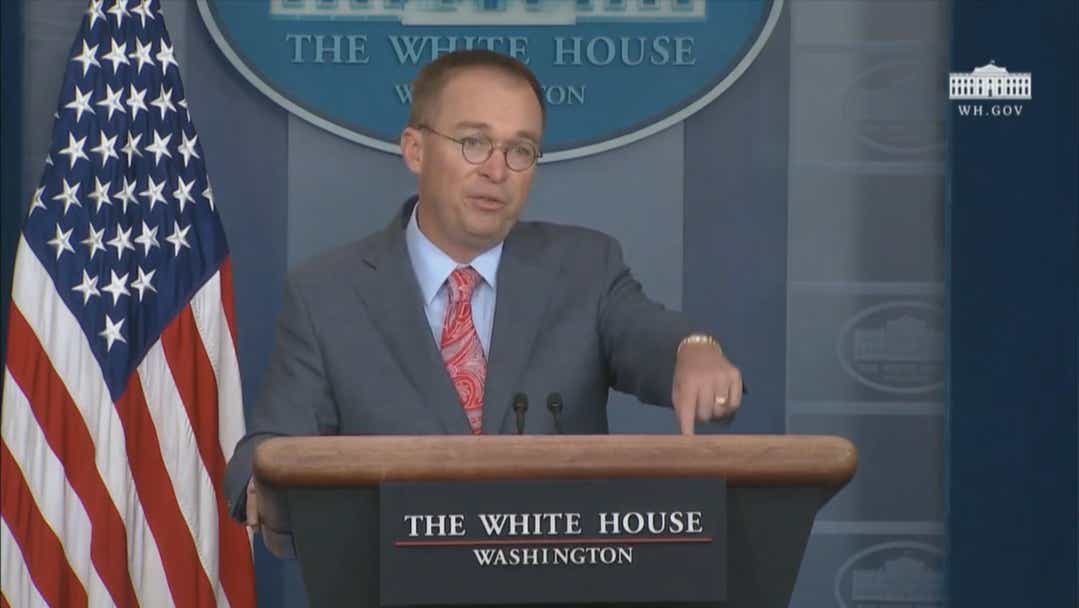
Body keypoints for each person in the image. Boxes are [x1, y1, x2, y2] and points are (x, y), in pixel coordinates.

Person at [224, 49, 743, 527]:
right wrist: (261, 490)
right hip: (388, 575)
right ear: (415, 150)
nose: (497, 170)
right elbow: (265, 453)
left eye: (521, 150)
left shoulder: (585, 268)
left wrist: (693, 350)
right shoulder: (327, 294)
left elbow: (647, 336)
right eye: (473, 143)